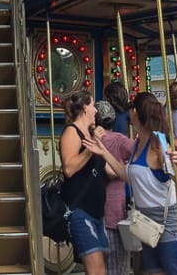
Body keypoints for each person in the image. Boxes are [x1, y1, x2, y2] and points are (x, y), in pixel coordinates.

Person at [118, 92, 177, 275]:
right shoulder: (138, 142)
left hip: (170, 223)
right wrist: (103, 153)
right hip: (148, 222)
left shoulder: (157, 143)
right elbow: (130, 176)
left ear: (135, 112)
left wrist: (174, 167)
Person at [60, 90, 126, 275]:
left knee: (100, 269)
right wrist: (90, 147)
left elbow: (107, 171)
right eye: (92, 105)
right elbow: (69, 168)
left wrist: (132, 168)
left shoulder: (90, 135)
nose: (96, 110)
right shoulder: (72, 132)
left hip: (97, 213)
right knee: (97, 270)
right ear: (84, 108)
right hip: (80, 211)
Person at [94, 100, 134, 275]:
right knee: (119, 266)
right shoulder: (118, 139)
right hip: (114, 213)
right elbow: (138, 151)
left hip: (94, 213)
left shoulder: (88, 140)